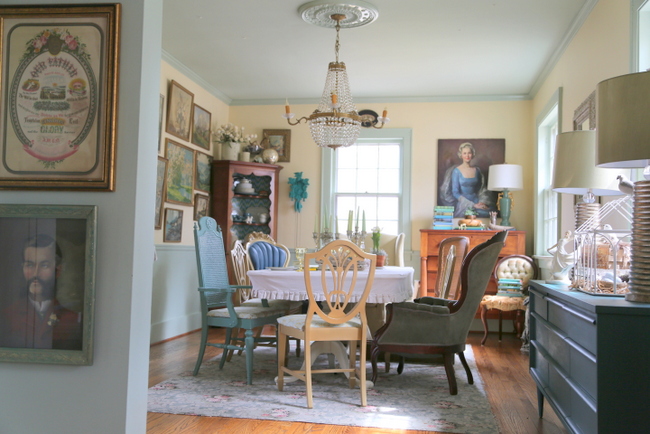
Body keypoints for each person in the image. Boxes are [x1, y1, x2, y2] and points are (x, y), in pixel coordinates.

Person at [0, 234, 82, 350]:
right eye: (30, 265)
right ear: (22, 268)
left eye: (44, 265)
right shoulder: (6, 316)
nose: (35, 273)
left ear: (58, 270)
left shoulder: (72, 318)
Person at [439, 142, 495, 218]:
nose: (467, 155)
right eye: (464, 153)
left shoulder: (477, 170)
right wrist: (472, 205)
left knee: (489, 213)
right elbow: (455, 192)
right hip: (464, 204)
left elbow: (480, 189)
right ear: (461, 155)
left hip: (477, 202)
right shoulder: (456, 171)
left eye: (469, 153)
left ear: (472, 154)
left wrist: (481, 202)